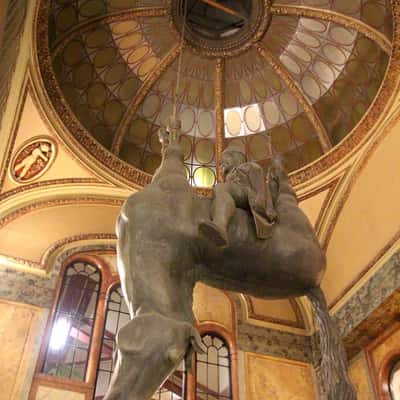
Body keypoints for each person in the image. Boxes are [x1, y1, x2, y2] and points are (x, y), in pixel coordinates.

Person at [199, 148, 278, 246]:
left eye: (225, 159)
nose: (222, 164)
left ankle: (220, 226)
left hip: (249, 195)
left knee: (221, 187)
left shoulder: (249, 166)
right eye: (221, 163)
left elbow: (260, 187)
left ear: (236, 158)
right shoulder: (228, 178)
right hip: (235, 194)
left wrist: (260, 205)